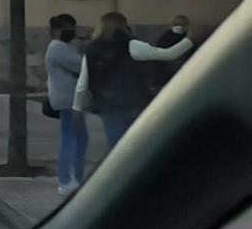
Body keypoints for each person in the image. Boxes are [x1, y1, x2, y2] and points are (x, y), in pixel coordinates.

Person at [74, 11, 194, 149]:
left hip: (108, 105)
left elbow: (83, 82)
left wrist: (78, 107)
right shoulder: (131, 44)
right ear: (124, 25)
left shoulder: (92, 49)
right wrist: (190, 39)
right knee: (141, 145)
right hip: (135, 101)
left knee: (117, 148)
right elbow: (168, 54)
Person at [45, 14, 87, 196]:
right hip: (68, 100)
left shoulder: (60, 47)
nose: (72, 31)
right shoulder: (58, 48)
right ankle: (68, 180)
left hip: (68, 99)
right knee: (73, 140)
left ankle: (72, 178)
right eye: (68, 28)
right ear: (56, 31)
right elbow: (81, 66)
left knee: (76, 139)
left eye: (73, 27)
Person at [149, 14, 194, 93]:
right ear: (172, 25)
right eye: (176, 24)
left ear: (187, 26)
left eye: (182, 24)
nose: (179, 27)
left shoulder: (188, 37)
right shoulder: (166, 36)